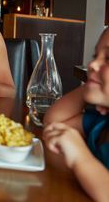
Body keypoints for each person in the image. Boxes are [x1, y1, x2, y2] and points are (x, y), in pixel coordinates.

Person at [43, 27, 109, 202]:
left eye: (108, 58)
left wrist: (80, 158)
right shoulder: (102, 122)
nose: (92, 64)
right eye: (95, 56)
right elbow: (54, 122)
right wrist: (92, 87)